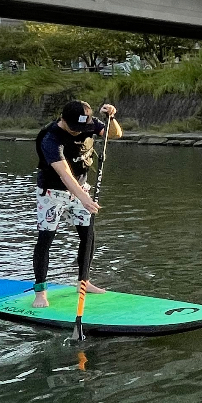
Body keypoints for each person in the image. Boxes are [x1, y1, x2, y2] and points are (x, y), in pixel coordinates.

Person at [32, 99, 123, 308]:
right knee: (46, 239)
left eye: (81, 128)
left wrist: (112, 118)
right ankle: (40, 291)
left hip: (81, 190)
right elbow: (64, 174)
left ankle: (84, 282)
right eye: (74, 129)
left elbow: (115, 134)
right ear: (63, 120)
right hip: (52, 192)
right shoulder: (50, 138)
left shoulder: (89, 124)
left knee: (88, 235)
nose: (77, 132)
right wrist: (85, 198)